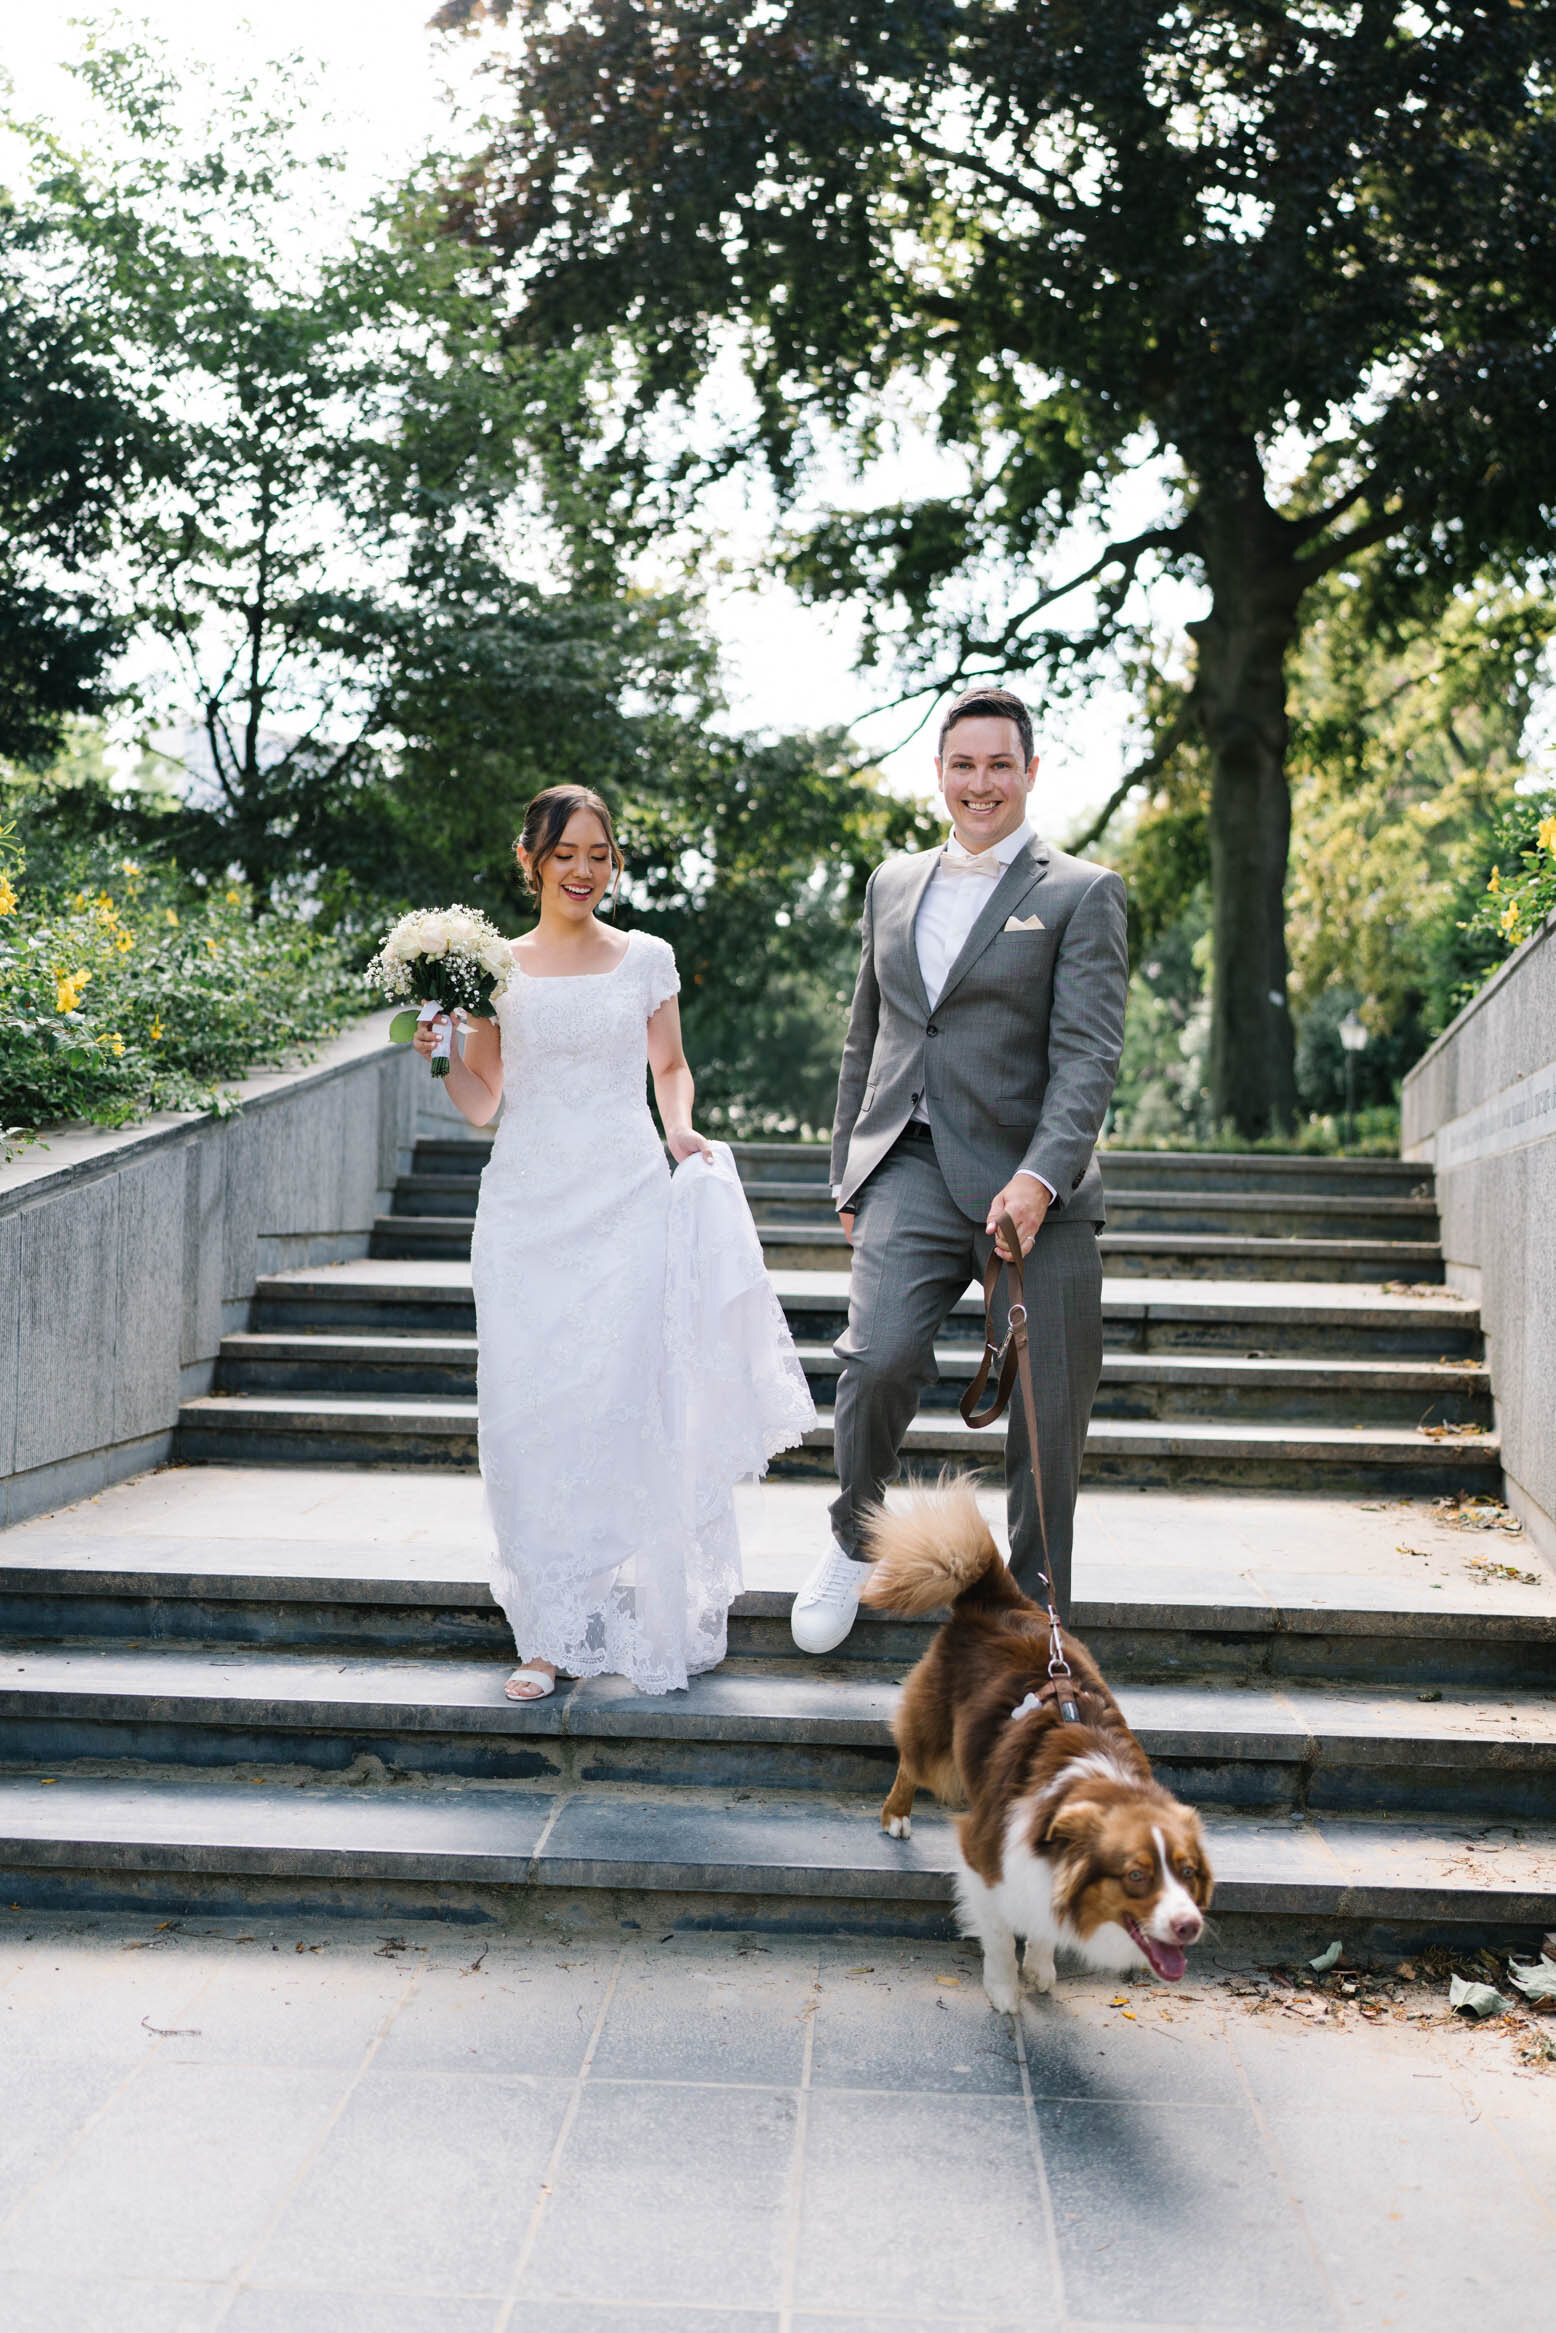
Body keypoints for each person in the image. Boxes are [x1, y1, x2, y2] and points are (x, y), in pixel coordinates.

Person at [417, 784, 813, 1699]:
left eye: (599, 853)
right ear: (531, 861)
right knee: (529, 1411)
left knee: (616, 1403)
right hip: (525, 1211)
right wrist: (440, 1053)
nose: (584, 870)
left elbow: (667, 1065)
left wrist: (681, 1129)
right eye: (565, 854)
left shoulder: (648, 957)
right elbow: (483, 1101)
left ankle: (602, 1601)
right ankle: (545, 1629)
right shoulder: (491, 971)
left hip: (629, 1201)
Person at [791, 686, 1128, 1655]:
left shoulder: (1078, 890)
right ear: (936, 772)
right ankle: (851, 1538)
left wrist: (1039, 1176)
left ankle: (1030, 1613)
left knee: (1046, 1406)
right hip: (906, 1158)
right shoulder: (890, 882)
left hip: (1034, 1186)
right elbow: (869, 1033)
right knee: (876, 1356)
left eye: (997, 764)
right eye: (961, 764)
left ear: (1029, 771)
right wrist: (846, 1171)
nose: (978, 782)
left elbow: (1086, 1055)